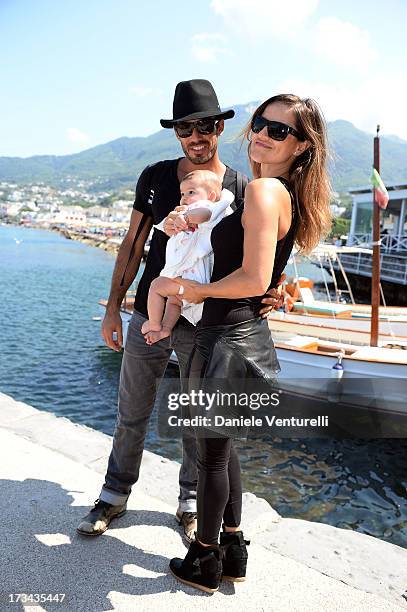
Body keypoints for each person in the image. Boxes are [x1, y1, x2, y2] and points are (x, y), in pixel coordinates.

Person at [76, 79, 280, 542]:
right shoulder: (156, 177)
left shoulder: (240, 187)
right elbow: (132, 245)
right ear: (176, 133)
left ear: (219, 128)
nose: (196, 135)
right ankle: (114, 495)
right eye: (186, 128)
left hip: (204, 320)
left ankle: (190, 503)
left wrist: (273, 289)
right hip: (150, 309)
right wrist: (113, 309)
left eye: (205, 125)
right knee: (132, 410)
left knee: (195, 418)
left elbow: (259, 258)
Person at [168, 94, 332, 592]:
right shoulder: (281, 191)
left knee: (210, 455)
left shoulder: (262, 190)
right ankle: (234, 547)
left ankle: (204, 560)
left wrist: (196, 290)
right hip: (244, 336)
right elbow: (269, 274)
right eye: (260, 123)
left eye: (279, 130)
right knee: (222, 447)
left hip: (225, 336)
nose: (261, 133)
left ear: (302, 146)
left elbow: (255, 277)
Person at [141, 169, 234, 345]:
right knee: (174, 302)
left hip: (192, 278)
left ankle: (153, 323)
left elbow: (204, 214)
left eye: (191, 192)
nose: (184, 197)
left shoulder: (208, 207)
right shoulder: (186, 211)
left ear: (211, 195)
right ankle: (165, 329)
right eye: (182, 193)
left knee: (156, 286)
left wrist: (186, 216)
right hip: (190, 278)